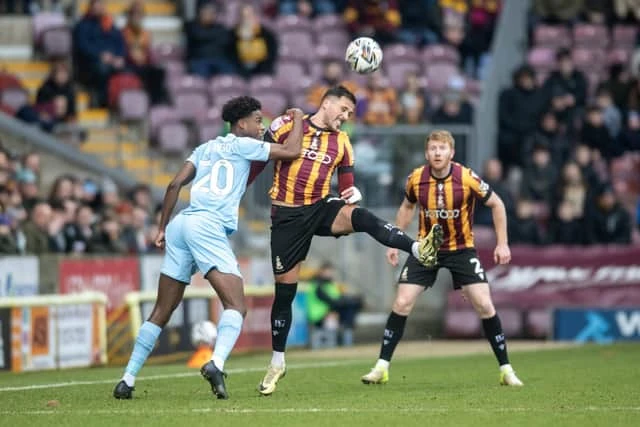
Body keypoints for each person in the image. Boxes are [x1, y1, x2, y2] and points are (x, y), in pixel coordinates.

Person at [250, 85, 441, 395]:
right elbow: (257, 162)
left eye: (350, 113)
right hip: (286, 217)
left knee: (361, 216)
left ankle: (418, 247)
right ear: (326, 104)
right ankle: (277, 362)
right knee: (284, 293)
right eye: (344, 109)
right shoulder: (286, 124)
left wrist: (352, 193)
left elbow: (347, 186)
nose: (346, 116)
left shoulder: (342, 142)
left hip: (320, 207)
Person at [112, 96, 305, 400]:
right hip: (208, 226)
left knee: (161, 311)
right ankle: (216, 363)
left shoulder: (205, 148)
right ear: (241, 124)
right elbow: (293, 151)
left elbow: (173, 185)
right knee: (236, 306)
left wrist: (161, 227)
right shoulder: (244, 145)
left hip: (180, 223)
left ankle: (127, 379)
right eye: (257, 120)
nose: (261, 125)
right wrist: (297, 119)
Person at [360, 130, 524, 387]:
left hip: (461, 249)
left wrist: (502, 243)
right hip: (426, 250)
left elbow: (497, 204)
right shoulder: (416, 178)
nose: (437, 153)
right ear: (427, 153)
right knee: (402, 302)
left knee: (484, 304)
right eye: (433, 149)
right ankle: (381, 367)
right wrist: (394, 242)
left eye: (442, 148)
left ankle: (506, 369)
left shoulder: (466, 177)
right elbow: (407, 206)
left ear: (451, 153)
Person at [307, 261, 363, 347]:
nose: (330, 274)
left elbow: (338, 298)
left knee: (352, 307)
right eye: (328, 271)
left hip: (328, 312)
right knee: (348, 309)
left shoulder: (329, 284)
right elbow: (331, 301)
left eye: (331, 271)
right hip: (319, 316)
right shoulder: (318, 285)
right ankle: (346, 340)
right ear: (321, 272)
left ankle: (347, 336)